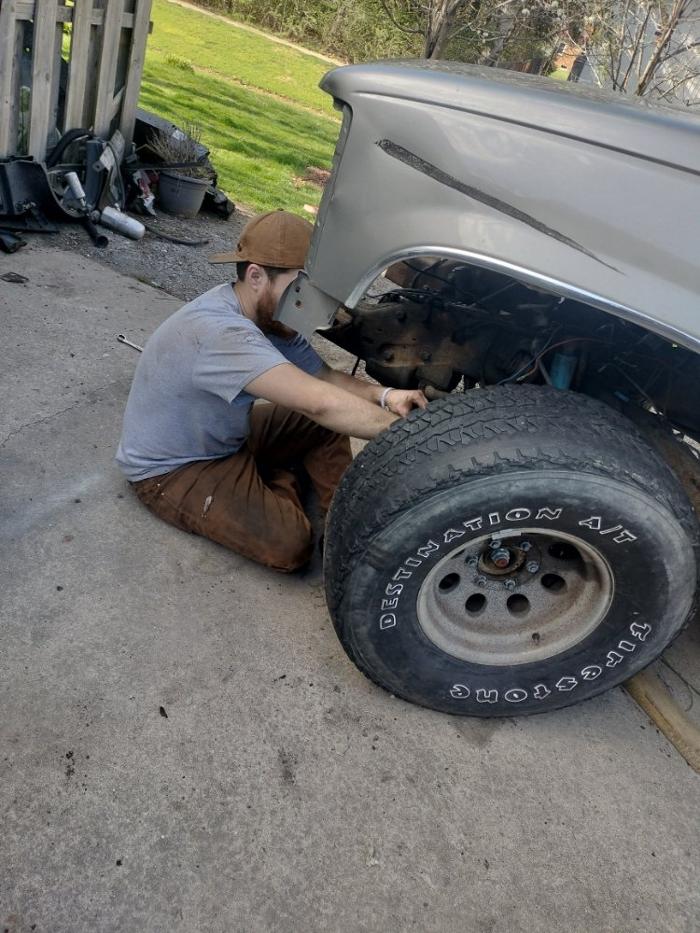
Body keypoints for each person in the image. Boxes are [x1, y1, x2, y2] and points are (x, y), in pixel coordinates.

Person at [116, 210, 427, 571]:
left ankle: (344, 524)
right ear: (255, 276)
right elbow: (320, 403)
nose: (307, 304)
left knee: (323, 422)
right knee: (290, 545)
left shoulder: (265, 314)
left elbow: (324, 378)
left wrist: (386, 396)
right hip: (175, 469)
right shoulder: (223, 334)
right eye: (300, 290)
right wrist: (413, 433)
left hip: (225, 435)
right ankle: (280, 479)